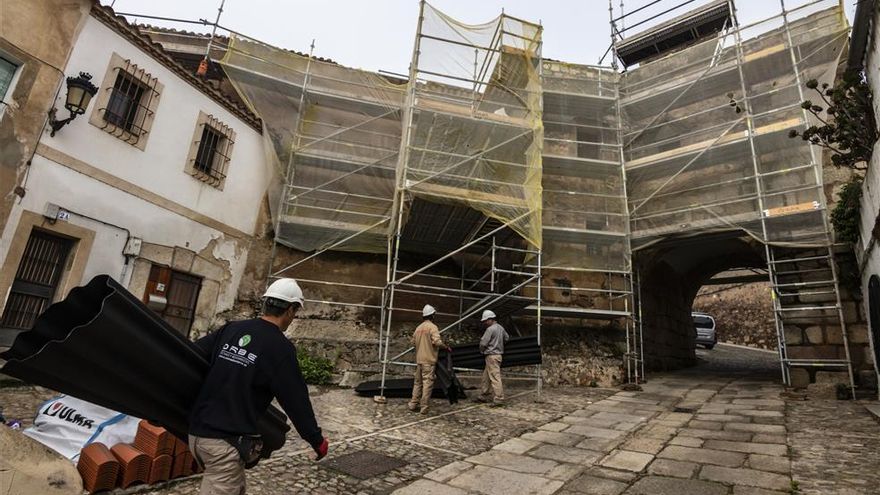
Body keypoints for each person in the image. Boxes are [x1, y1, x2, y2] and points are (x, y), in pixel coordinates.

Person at [188, 278, 329, 495]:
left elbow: (192, 356)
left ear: (266, 303)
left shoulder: (232, 329)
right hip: (223, 444)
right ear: (290, 311)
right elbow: (296, 401)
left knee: (237, 487)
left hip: (196, 435)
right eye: (295, 311)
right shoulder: (280, 349)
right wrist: (316, 440)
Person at [408, 304, 450, 414]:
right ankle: (424, 407)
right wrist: (445, 347)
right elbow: (437, 342)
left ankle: (413, 403)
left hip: (419, 360)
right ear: (432, 315)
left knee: (417, 383)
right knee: (427, 383)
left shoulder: (418, 328)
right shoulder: (433, 327)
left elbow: (412, 342)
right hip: (429, 360)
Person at [477, 309, 508, 405]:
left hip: (491, 356)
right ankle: (484, 394)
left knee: (495, 377)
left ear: (491, 319)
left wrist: (482, 351)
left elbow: (483, 343)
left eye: (486, 320)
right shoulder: (500, 328)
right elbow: (506, 338)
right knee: (486, 376)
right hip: (498, 355)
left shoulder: (490, 329)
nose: (485, 322)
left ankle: (499, 398)